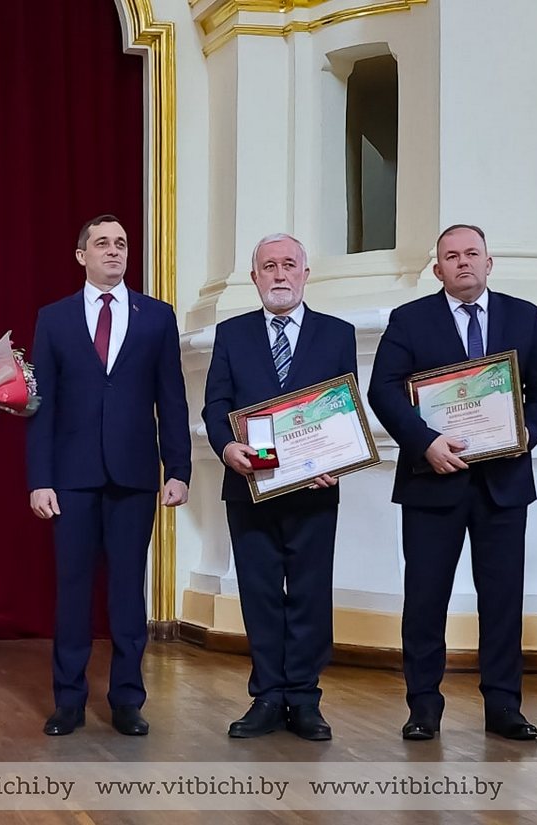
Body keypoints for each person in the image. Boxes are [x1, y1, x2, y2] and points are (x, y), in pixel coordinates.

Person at [367, 224, 537, 742]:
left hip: (504, 483)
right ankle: (423, 707)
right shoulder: (409, 320)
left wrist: (527, 434)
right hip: (432, 480)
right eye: (451, 256)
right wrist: (423, 441)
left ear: (489, 262)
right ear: (437, 269)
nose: (462, 263)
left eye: (471, 253)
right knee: (425, 598)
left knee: (502, 599)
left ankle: (503, 706)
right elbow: (382, 390)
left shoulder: (524, 316)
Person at [27, 214, 190, 737]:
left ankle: (126, 701)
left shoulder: (156, 317)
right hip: (70, 479)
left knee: (127, 593)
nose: (114, 251)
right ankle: (68, 701)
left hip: (135, 477)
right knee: (72, 593)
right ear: (82, 255)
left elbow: (172, 398)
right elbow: (41, 408)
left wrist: (179, 468)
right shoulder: (52, 318)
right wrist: (39, 479)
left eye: (121, 244)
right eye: (102, 243)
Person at [202, 233, 357, 741]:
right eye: (269, 266)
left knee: (310, 594)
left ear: (306, 273)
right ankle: (268, 696)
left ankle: (305, 698)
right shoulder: (232, 334)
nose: (279, 274)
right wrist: (227, 449)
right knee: (261, 594)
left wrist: (339, 457)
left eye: (289, 264)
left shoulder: (337, 334)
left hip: (314, 488)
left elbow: (344, 411)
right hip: (250, 487)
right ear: (255, 278)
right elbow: (215, 405)